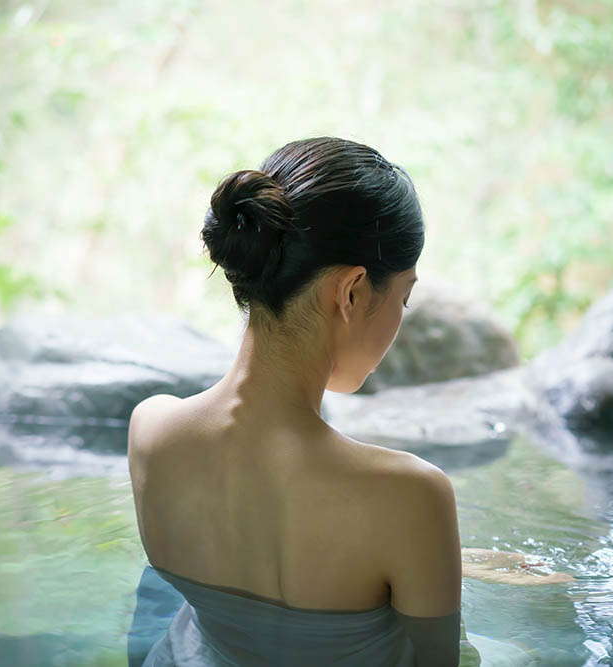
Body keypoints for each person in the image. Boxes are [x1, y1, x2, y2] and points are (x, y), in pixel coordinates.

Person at [127, 137, 464, 666]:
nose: (402, 317)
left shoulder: (151, 432)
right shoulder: (410, 498)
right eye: (404, 296)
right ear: (351, 292)